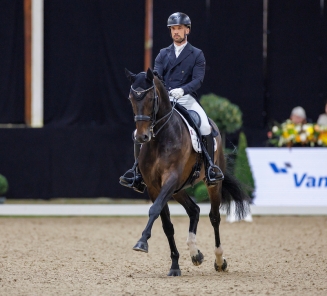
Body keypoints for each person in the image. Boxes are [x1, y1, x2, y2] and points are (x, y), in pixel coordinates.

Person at [120, 12, 223, 192]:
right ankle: (137, 172)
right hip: (165, 98)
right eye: (173, 29)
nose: (176, 32)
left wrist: (182, 89)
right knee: (140, 131)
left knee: (206, 127)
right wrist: (164, 92)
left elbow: (198, 80)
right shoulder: (163, 54)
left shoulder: (196, 54)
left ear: (187, 30)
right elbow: (157, 76)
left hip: (186, 97)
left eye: (179, 29)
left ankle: (210, 169)